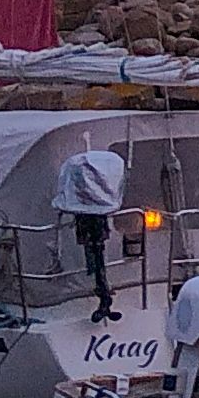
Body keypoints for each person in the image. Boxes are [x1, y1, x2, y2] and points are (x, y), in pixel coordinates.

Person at [54, 138, 127, 321]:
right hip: (93, 221)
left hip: (91, 221)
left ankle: (102, 293)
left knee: (95, 249)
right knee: (96, 249)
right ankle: (102, 291)